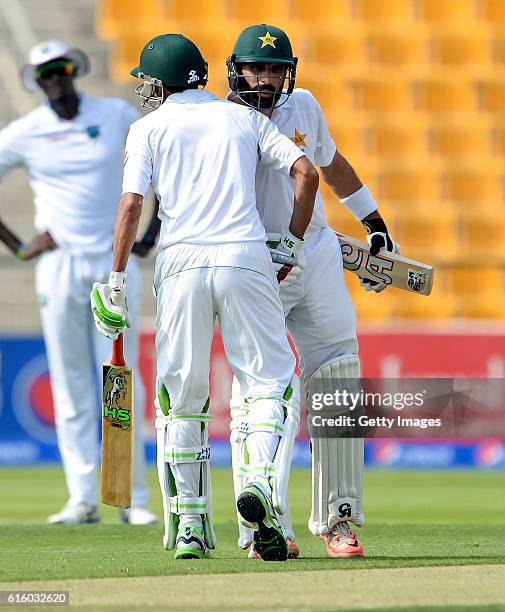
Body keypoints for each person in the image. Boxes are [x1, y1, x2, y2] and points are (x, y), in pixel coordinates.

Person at [90, 33, 319, 561]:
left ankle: (191, 523)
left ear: (161, 82)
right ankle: (258, 480)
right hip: (245, 254)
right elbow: (306, 172)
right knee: (269, 382)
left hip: (180, 260)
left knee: (181, 397)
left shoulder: (147, 126)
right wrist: (292, 242)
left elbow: (130, 205)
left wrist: (116, 279)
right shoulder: (246, 118)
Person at [226, 24, 399, 558]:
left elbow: (331, 163)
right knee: (260, 390)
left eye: (276, 68)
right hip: (257, 262)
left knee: (339, 374)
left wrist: (373, 220)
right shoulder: (221, 121)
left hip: (316, 252)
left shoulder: (303, 106)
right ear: (237, 69)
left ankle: (339, 519)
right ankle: (264, 526)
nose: (268, 78)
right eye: (258, 68)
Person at [0, 40, 159, 525]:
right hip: (60, 265)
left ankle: (131, 498)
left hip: (113, 264)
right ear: (37, 80)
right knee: (69, 387)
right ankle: (83, 499)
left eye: (62, 70)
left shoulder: (114, 114)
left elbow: (164, 168)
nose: (56, 79)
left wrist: (150, 232)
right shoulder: (26, 132)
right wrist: (20, 246)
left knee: (119, 380)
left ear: (74, 70)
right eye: (46, 73)